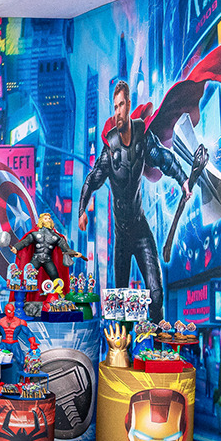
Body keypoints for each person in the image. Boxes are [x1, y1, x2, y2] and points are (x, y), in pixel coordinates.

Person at [77, 80, 189, 321]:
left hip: (140, 229)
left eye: (121, 105)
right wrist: (81, 210)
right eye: (115, 107)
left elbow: (164, 159)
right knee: (118, 305)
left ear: (128, 105)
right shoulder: (110, 149)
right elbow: (92, 179)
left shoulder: (142, 138)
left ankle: (158, 340)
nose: (118, 112)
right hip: (121, 235)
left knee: (156, 295)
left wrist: (183, 180)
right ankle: (120, 344)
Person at [10, 213, 85, 281]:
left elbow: (65, 248)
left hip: (48, 260)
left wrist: (74, 253)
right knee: (28, 276)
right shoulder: (34, 234)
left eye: (49, 218)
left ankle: (57, 291)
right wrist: (16, 248)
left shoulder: (57, 237)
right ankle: (25, 291)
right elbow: (24, 242)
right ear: (41, 221)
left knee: (55, 277)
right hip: (36, 259)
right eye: (45, 219)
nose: (48, 220)